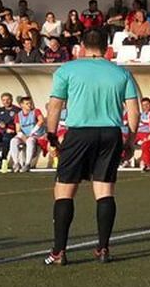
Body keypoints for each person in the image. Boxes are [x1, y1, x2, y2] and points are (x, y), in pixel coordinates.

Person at [42, 27, 140, 265]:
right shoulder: (121, 73)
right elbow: (134, 111)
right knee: (105, 191)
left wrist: (52, 137)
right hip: (110, 133)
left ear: (82, 47)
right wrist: (130, 140)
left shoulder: (67, 70)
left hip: (78, 134)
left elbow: (54, 106)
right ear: (108, 47)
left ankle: (59, 252)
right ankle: (103, 248)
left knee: (64, 190)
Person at [12, 97, 43, 170]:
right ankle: (16, 163)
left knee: (30, 141)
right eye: (27, 104)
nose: (29, 105)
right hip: (25, 135)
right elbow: (18, 129)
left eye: (30, 103)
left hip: (35, 134)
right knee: (13, 141)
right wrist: (23, 136)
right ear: (21, 105)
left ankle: (27, 163)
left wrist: (31, 132)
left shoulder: (36, 111)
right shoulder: (18, 115)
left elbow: (41, 121)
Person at [0, 93, 17, 169]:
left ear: (11, 100)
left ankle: (4, 159)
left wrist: (8, 128)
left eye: (8, 99)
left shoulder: (17, 110)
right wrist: (4, 129)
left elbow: (18, 124)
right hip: (2, 132)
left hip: (12, 133)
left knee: (6, 138)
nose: (6, 101)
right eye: (4, 100)